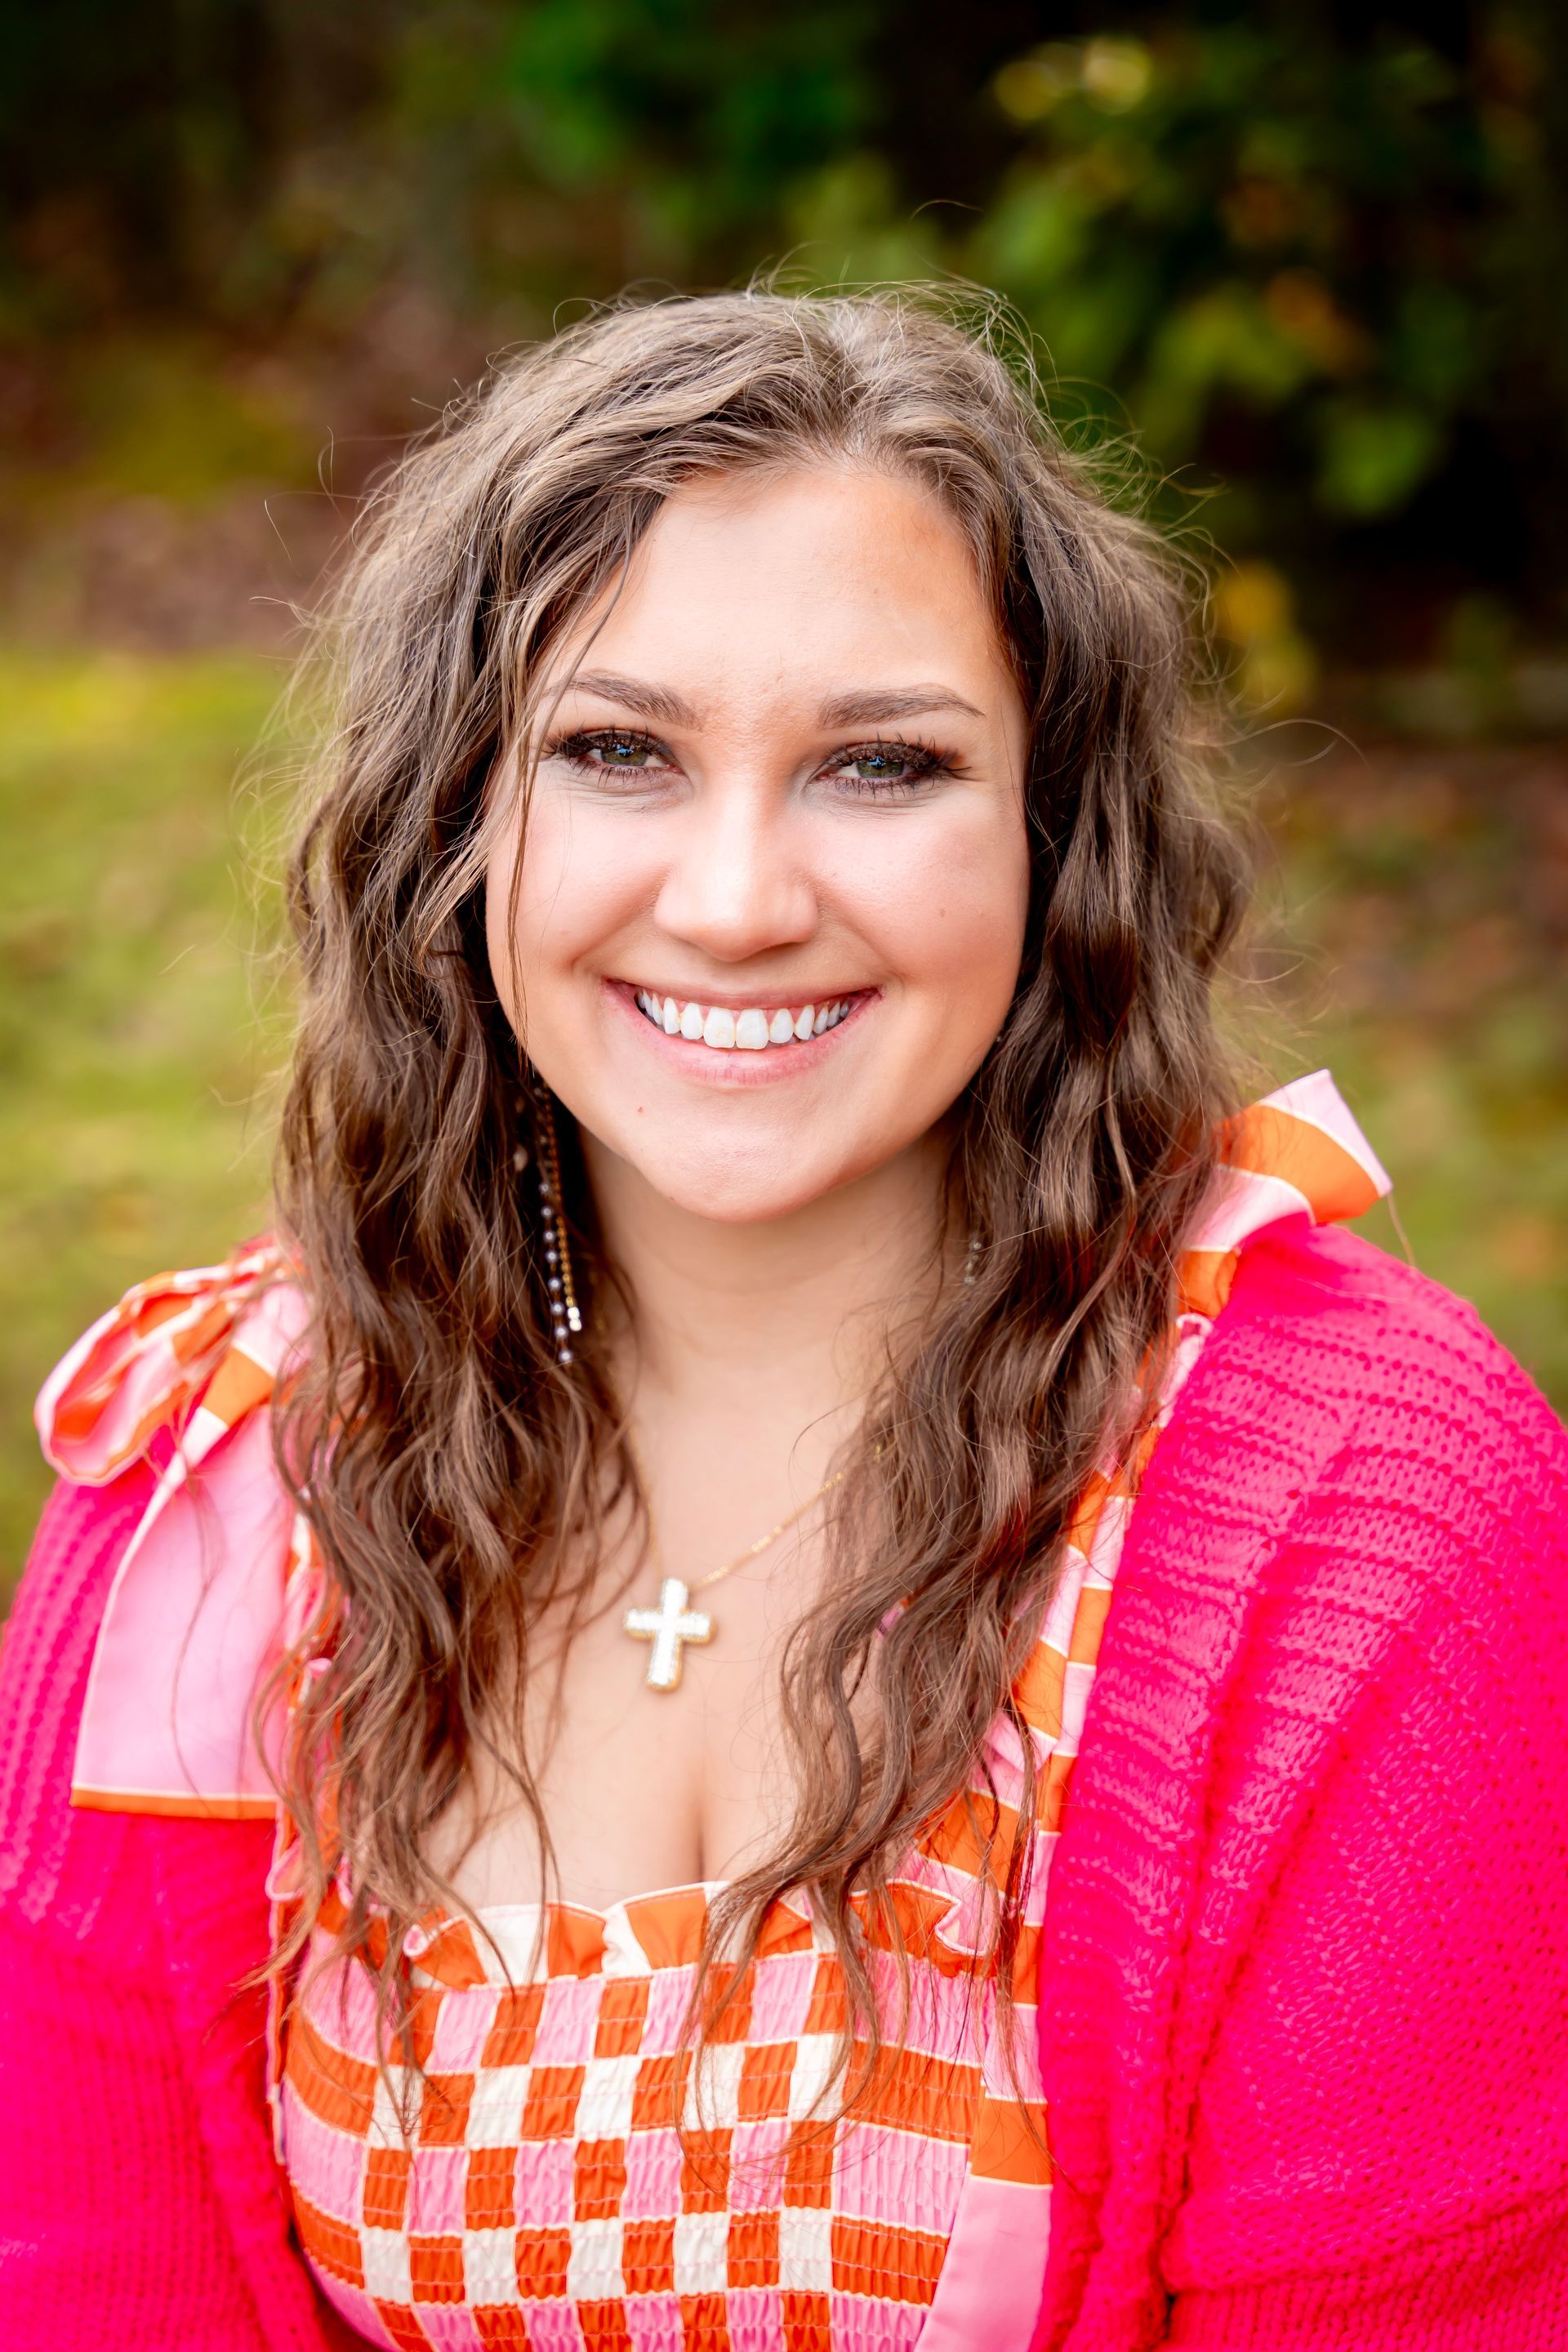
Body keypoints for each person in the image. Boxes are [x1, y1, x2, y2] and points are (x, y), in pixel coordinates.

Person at [2, 290, 1566, 2352]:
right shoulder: (212, 1506)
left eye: (881, 764)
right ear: (461, 824)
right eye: (617, 751)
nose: (736, 897)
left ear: (1054, 831)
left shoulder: (1363, 1527)